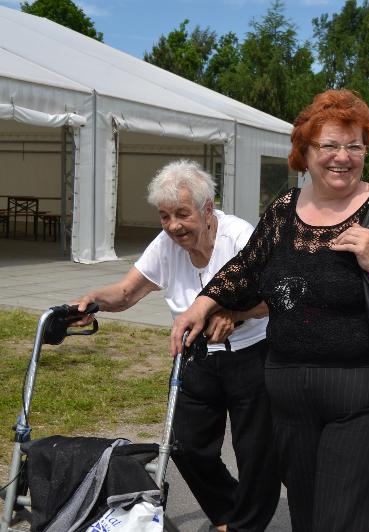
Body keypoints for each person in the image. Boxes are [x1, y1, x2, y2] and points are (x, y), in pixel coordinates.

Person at [171, 89, 369, 532]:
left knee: (348, 520)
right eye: (330, 145)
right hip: (289, 395)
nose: (343, 157)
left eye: (354, 145)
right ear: (304, 152)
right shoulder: (285, 209)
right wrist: (202, 304)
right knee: (308, 516)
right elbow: (248, 268)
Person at [74, 160, 279, 532]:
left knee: (256, 453)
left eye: (182, 214)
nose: (173, 226)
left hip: (251, 354)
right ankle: (229, 512)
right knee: (186, 445)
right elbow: (127, 292)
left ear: (207, 209)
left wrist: (235, 313)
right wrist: (94, 300)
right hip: (196, 356)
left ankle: (246, 525)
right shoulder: (166, 245)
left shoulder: (240, 237)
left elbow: (276, 296)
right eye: (164, 216)